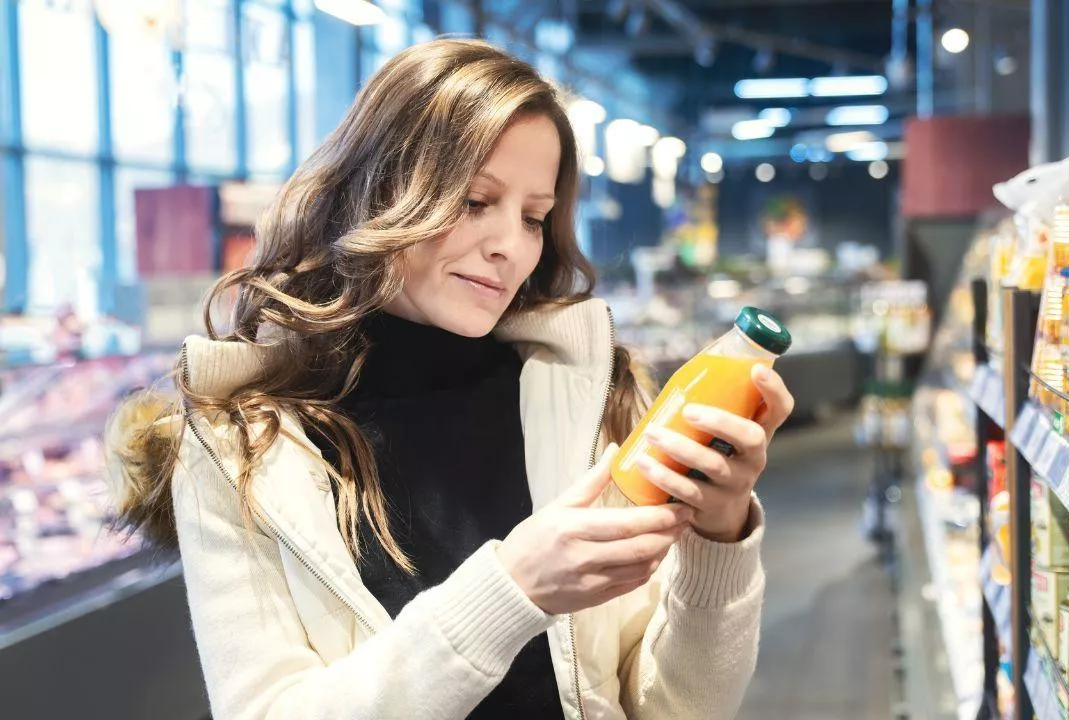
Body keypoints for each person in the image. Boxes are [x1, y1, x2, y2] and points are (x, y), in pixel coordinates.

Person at [106, 39, 794, 720]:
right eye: (473, 201)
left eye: (534, 216)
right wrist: (510, 590)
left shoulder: (586, 396)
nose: (511, 246)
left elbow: (680, 708)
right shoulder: (238, 447)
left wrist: (719, 537)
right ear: (381, 190)